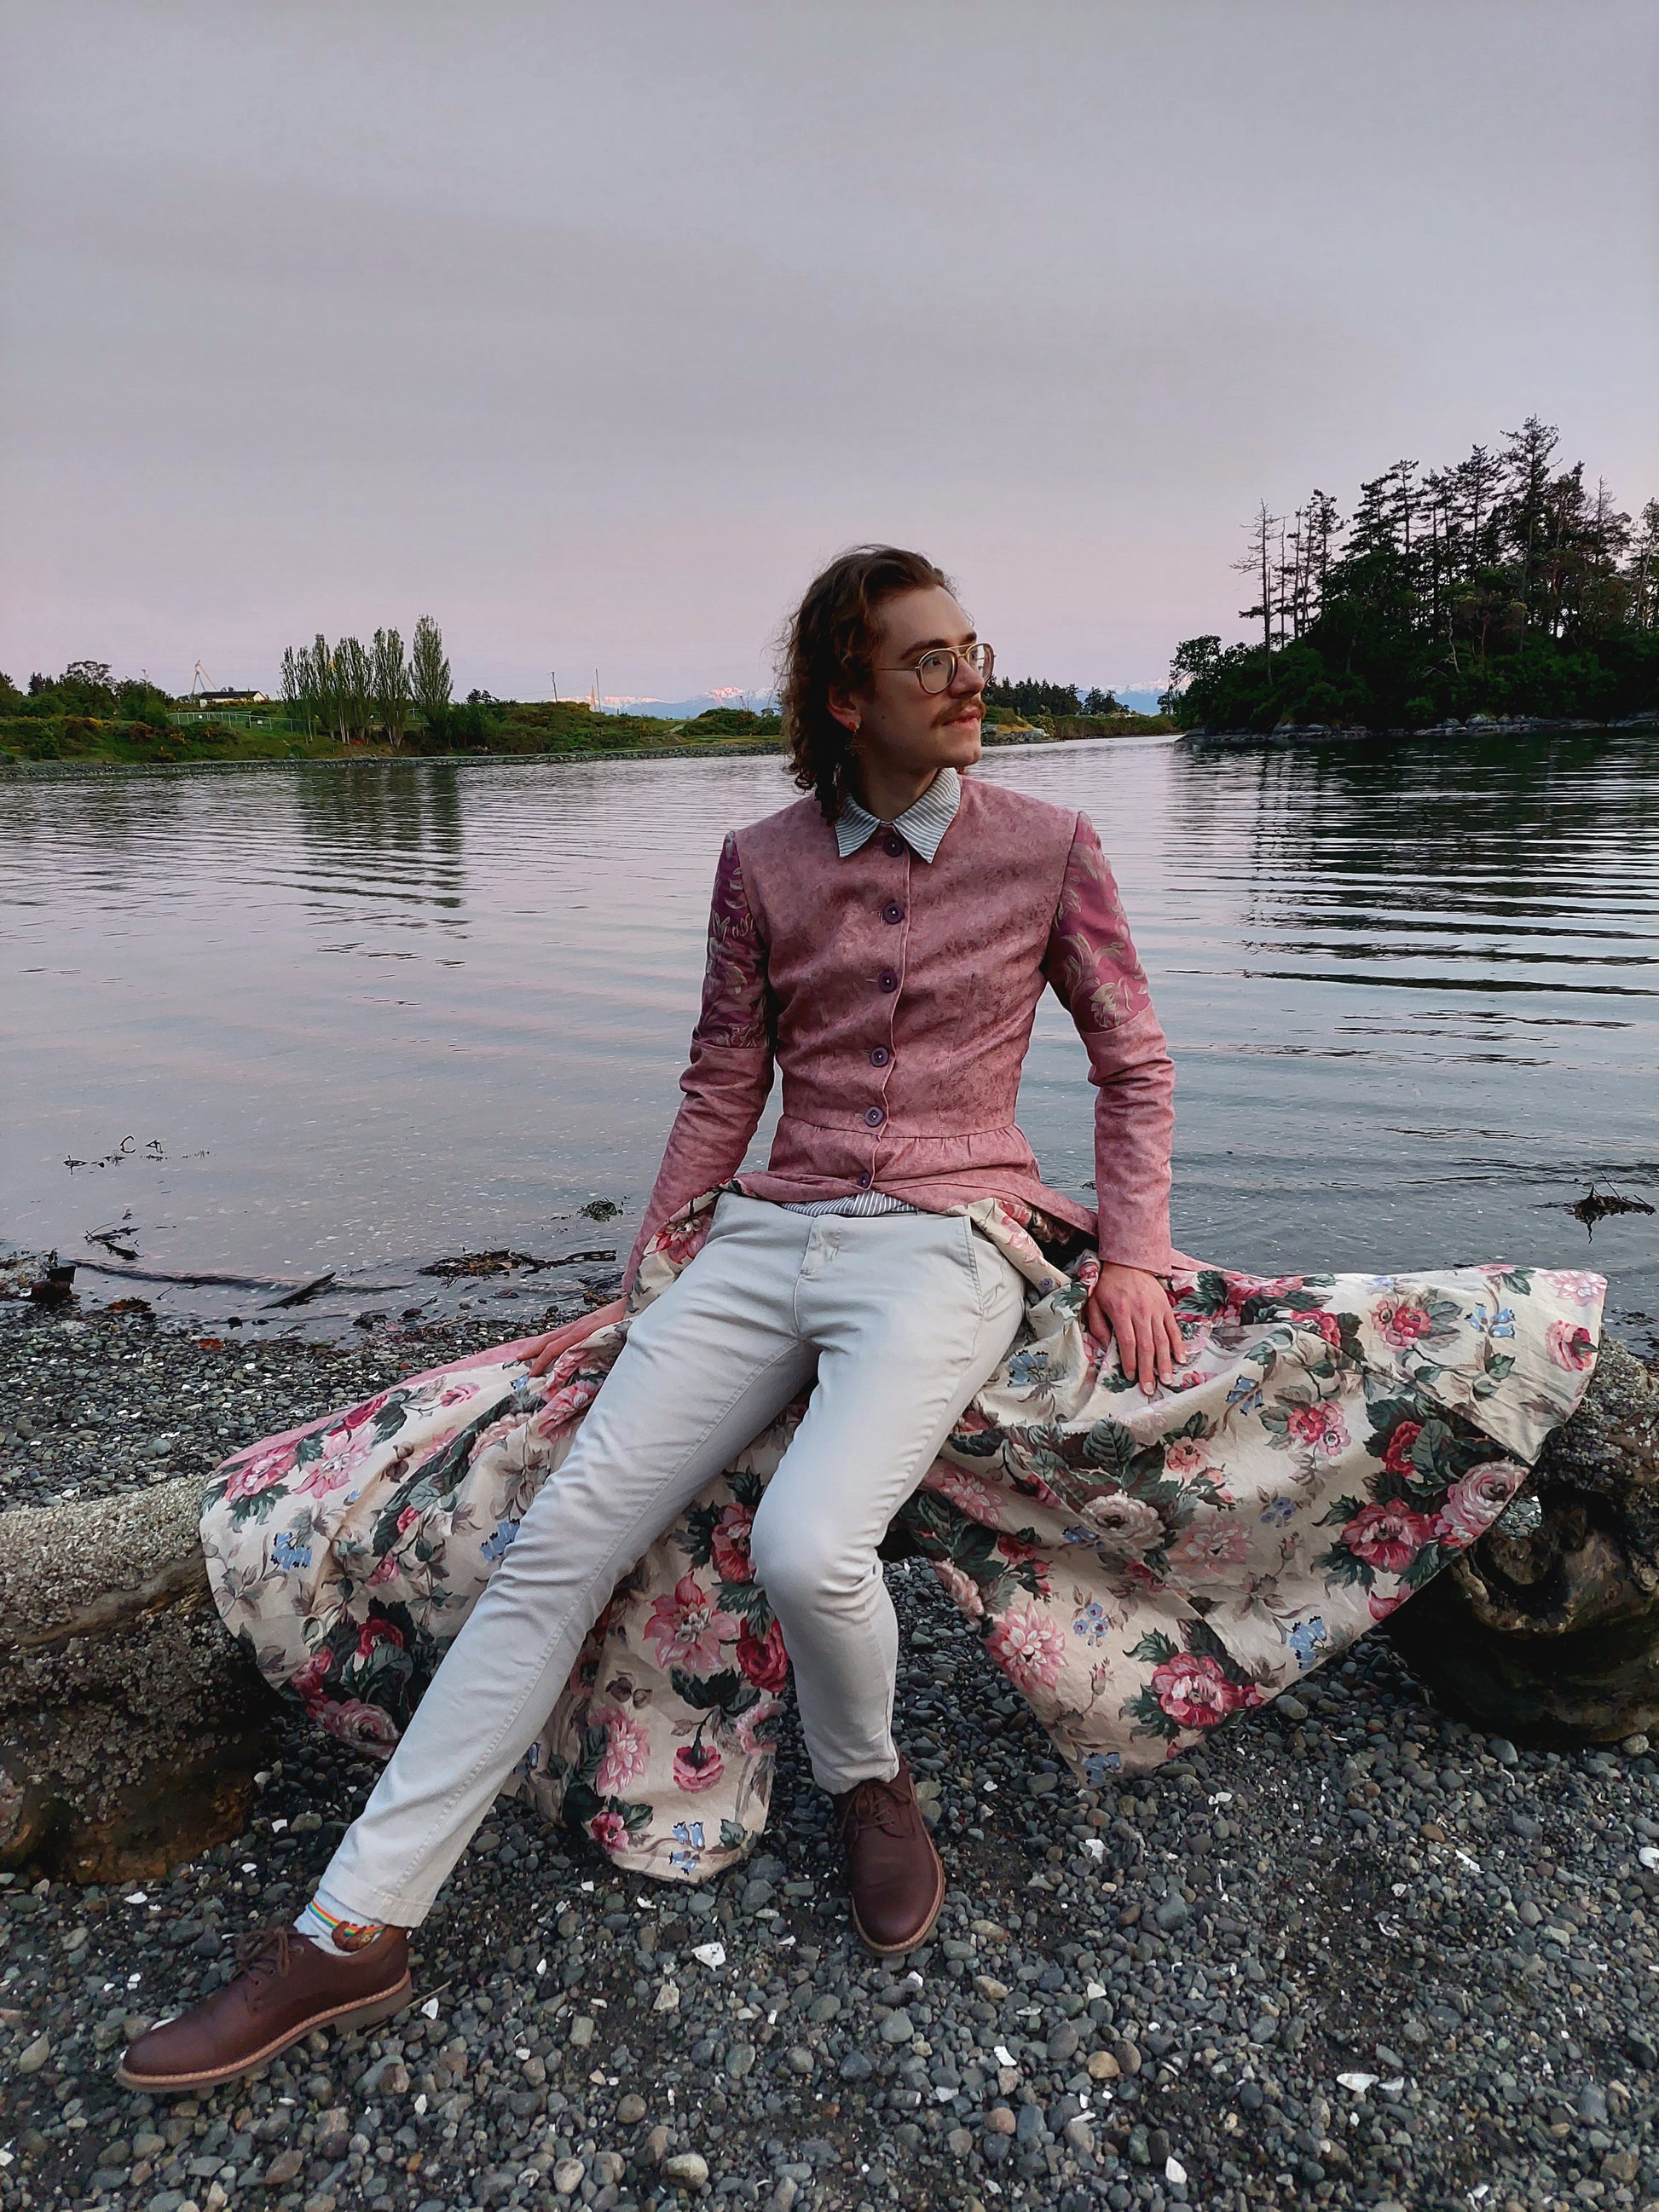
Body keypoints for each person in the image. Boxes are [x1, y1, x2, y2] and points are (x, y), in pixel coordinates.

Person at [120, 545, 1179, 2093]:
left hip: (947, 1241)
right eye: (926, 659)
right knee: (559, 1539)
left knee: (812, 1546)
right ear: (843, 695)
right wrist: (658, 1256)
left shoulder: (1050, 843)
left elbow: (1131, 1061)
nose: (969, 679)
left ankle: (868, 1781)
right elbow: (721, 1076)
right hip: (763, 1237)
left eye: (971, 648)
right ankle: (353, 1922)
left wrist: (1135, 1253)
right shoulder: (759, 862)